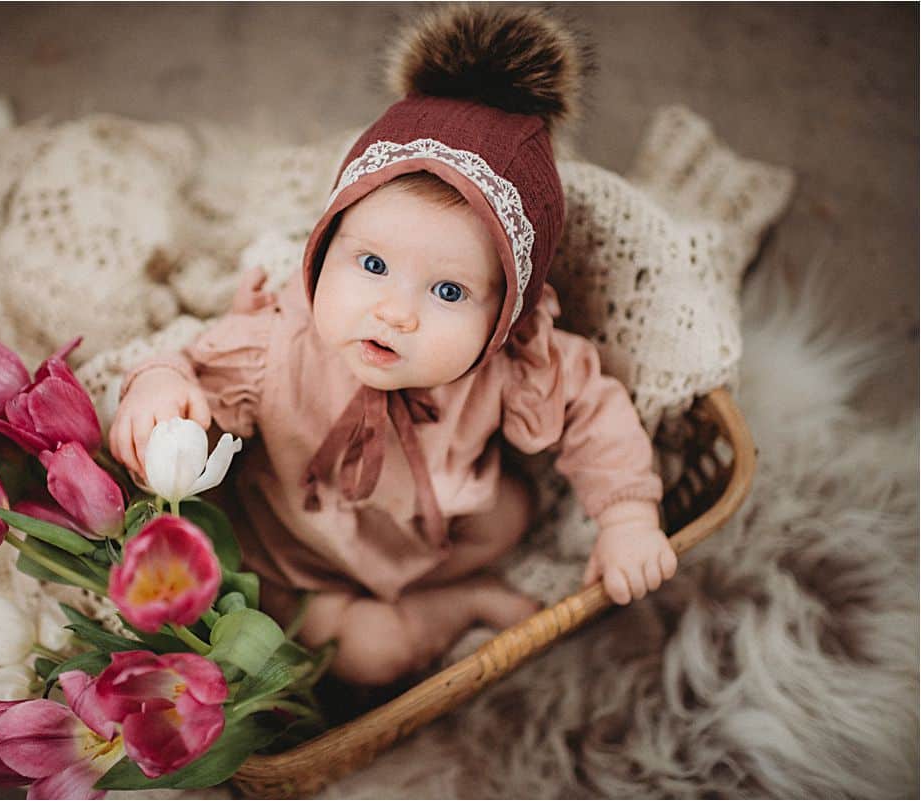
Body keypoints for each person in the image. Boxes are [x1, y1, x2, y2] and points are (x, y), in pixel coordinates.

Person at [108, 6, 676, 686]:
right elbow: (194, 366)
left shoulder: (508, 365)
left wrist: (627, 513)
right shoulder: (278, 343)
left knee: (511, 513)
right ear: (322, 250)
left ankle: (442, 580)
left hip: (425, 534)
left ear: (505, 318)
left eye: (448, 292)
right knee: (368, 651)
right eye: (372, 265)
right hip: (294, 557)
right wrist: (161, 388)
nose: (395, 313)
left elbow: (593, 406)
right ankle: (459, 604)